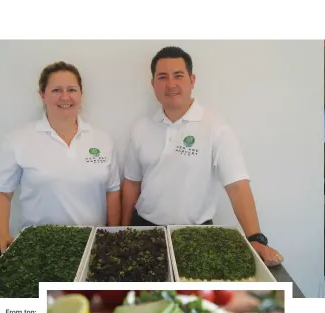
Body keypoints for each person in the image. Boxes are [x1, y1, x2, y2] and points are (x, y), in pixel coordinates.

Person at [121, 46, 283, 266]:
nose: (171, 84)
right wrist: (121, 229)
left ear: (192, 79)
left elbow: (237, 186)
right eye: (162, 77)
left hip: (195, 235)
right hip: (144, 229)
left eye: (178, 75)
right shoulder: (141, 128)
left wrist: (255, 238)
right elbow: (132, 183)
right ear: (153, 84)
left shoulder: (215, 128)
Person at [0, 61, 121, 261]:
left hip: (91, 246)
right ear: (42, 95)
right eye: (56, 90)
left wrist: (112, 237)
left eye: (71, 89)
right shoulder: (18, 140)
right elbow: (1, 192)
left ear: (81, 94)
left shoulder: (103, 140)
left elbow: (113, 192)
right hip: (38, 247)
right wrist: (0, 235)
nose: (65, 97)